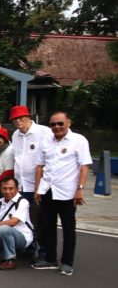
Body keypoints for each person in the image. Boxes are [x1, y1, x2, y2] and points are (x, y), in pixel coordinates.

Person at [31, 111, 92, 276]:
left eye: (60, 123)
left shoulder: (79, 141)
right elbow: (39, 167)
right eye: (53, 124)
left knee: (68, 228)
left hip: (68, 192)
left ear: (69, 123)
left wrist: (80, 189)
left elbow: (84, 166)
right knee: (48, 226)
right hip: (48, 190)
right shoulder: (46, 141)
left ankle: (67, 262)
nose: (56, 127)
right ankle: (50, 258)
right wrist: (38, 189)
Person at [9, 104, 49, 258]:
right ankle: (29, 247)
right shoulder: (15, 135)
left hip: (38, 186)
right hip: (21, 185)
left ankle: (45, 251)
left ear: (29, 117)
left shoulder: (43, 132)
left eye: (20, 118)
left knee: (40, 219)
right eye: (14, 120)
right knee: (23, 219)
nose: (18, 122)